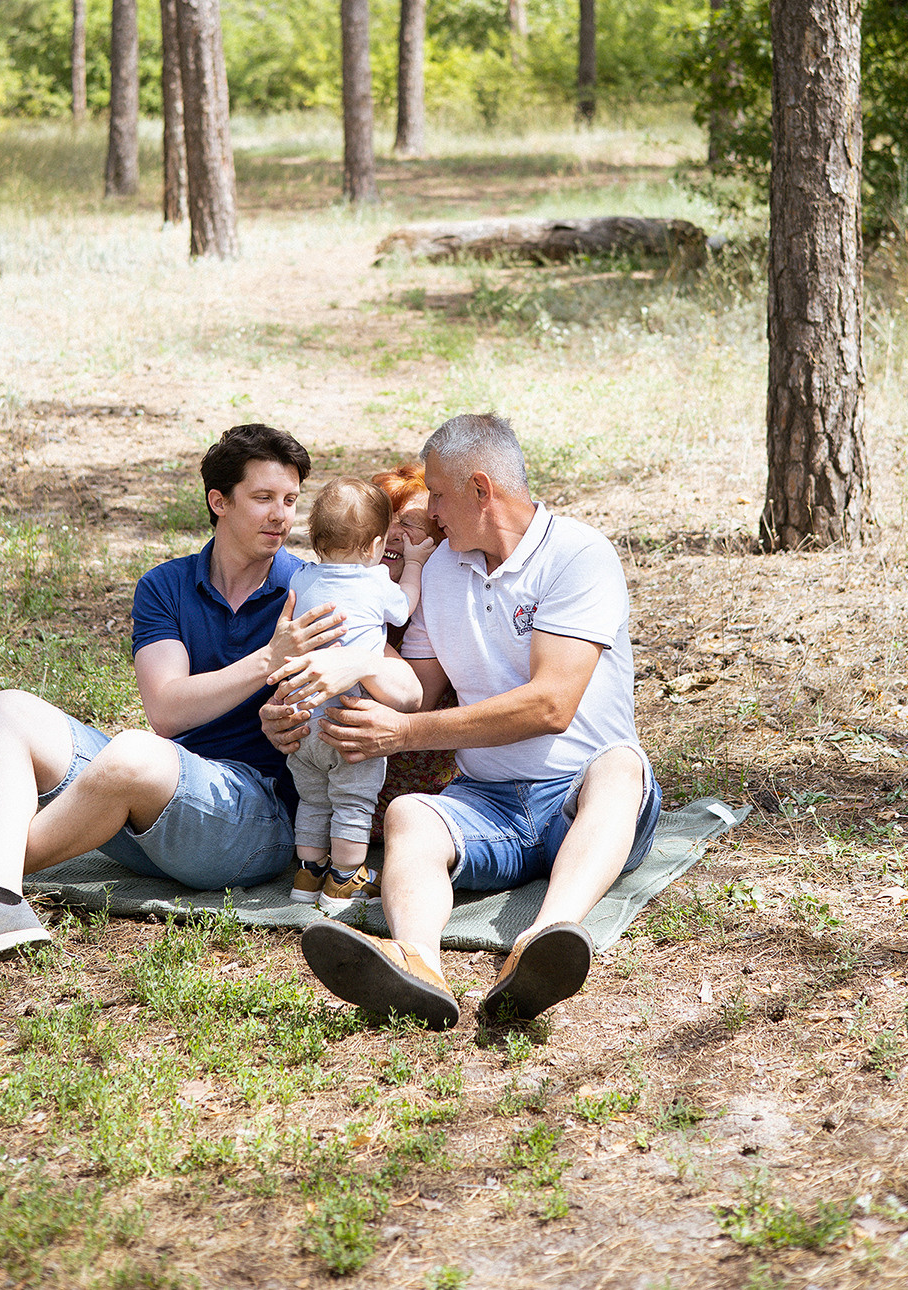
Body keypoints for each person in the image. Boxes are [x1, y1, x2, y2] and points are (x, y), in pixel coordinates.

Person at [0, 424, 355, 977]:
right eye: (263, 498)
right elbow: (167, 710)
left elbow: (384, 675)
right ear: (218, 501)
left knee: (133, 755)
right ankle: (1, 902)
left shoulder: (312, 589)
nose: (281, 515)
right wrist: (266, 661)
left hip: (257, 818)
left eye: (290, 501)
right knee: (4, 708)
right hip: (162, 800)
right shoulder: (166, 586)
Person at [266, 412, 661, 1031]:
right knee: (408, 815)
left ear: (482, 490)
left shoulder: (579, 556)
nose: (429, 514)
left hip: (580, 797)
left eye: (440, 497)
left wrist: (403, 734)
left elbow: (550, 705)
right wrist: (316, 694)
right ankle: (418, 966)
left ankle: (543, 942)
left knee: (619, 766)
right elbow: (417, 696)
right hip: (489, 803)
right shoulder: (443, 569)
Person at [279, 476, 430, 912]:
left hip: (302, 717)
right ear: (374, 546)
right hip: (350, 716)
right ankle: (344, 880)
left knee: (312, 796)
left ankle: (307, 875)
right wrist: (416, 564)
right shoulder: (374, 582)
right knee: (352, 800)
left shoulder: (303, 580)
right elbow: (404, 605)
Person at [368, 463, 455, 833]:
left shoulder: (443, 600)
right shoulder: (346, 588)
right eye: (381, 519)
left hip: (422, 792)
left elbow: (414, 701)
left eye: (408, 523)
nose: (391, 533)